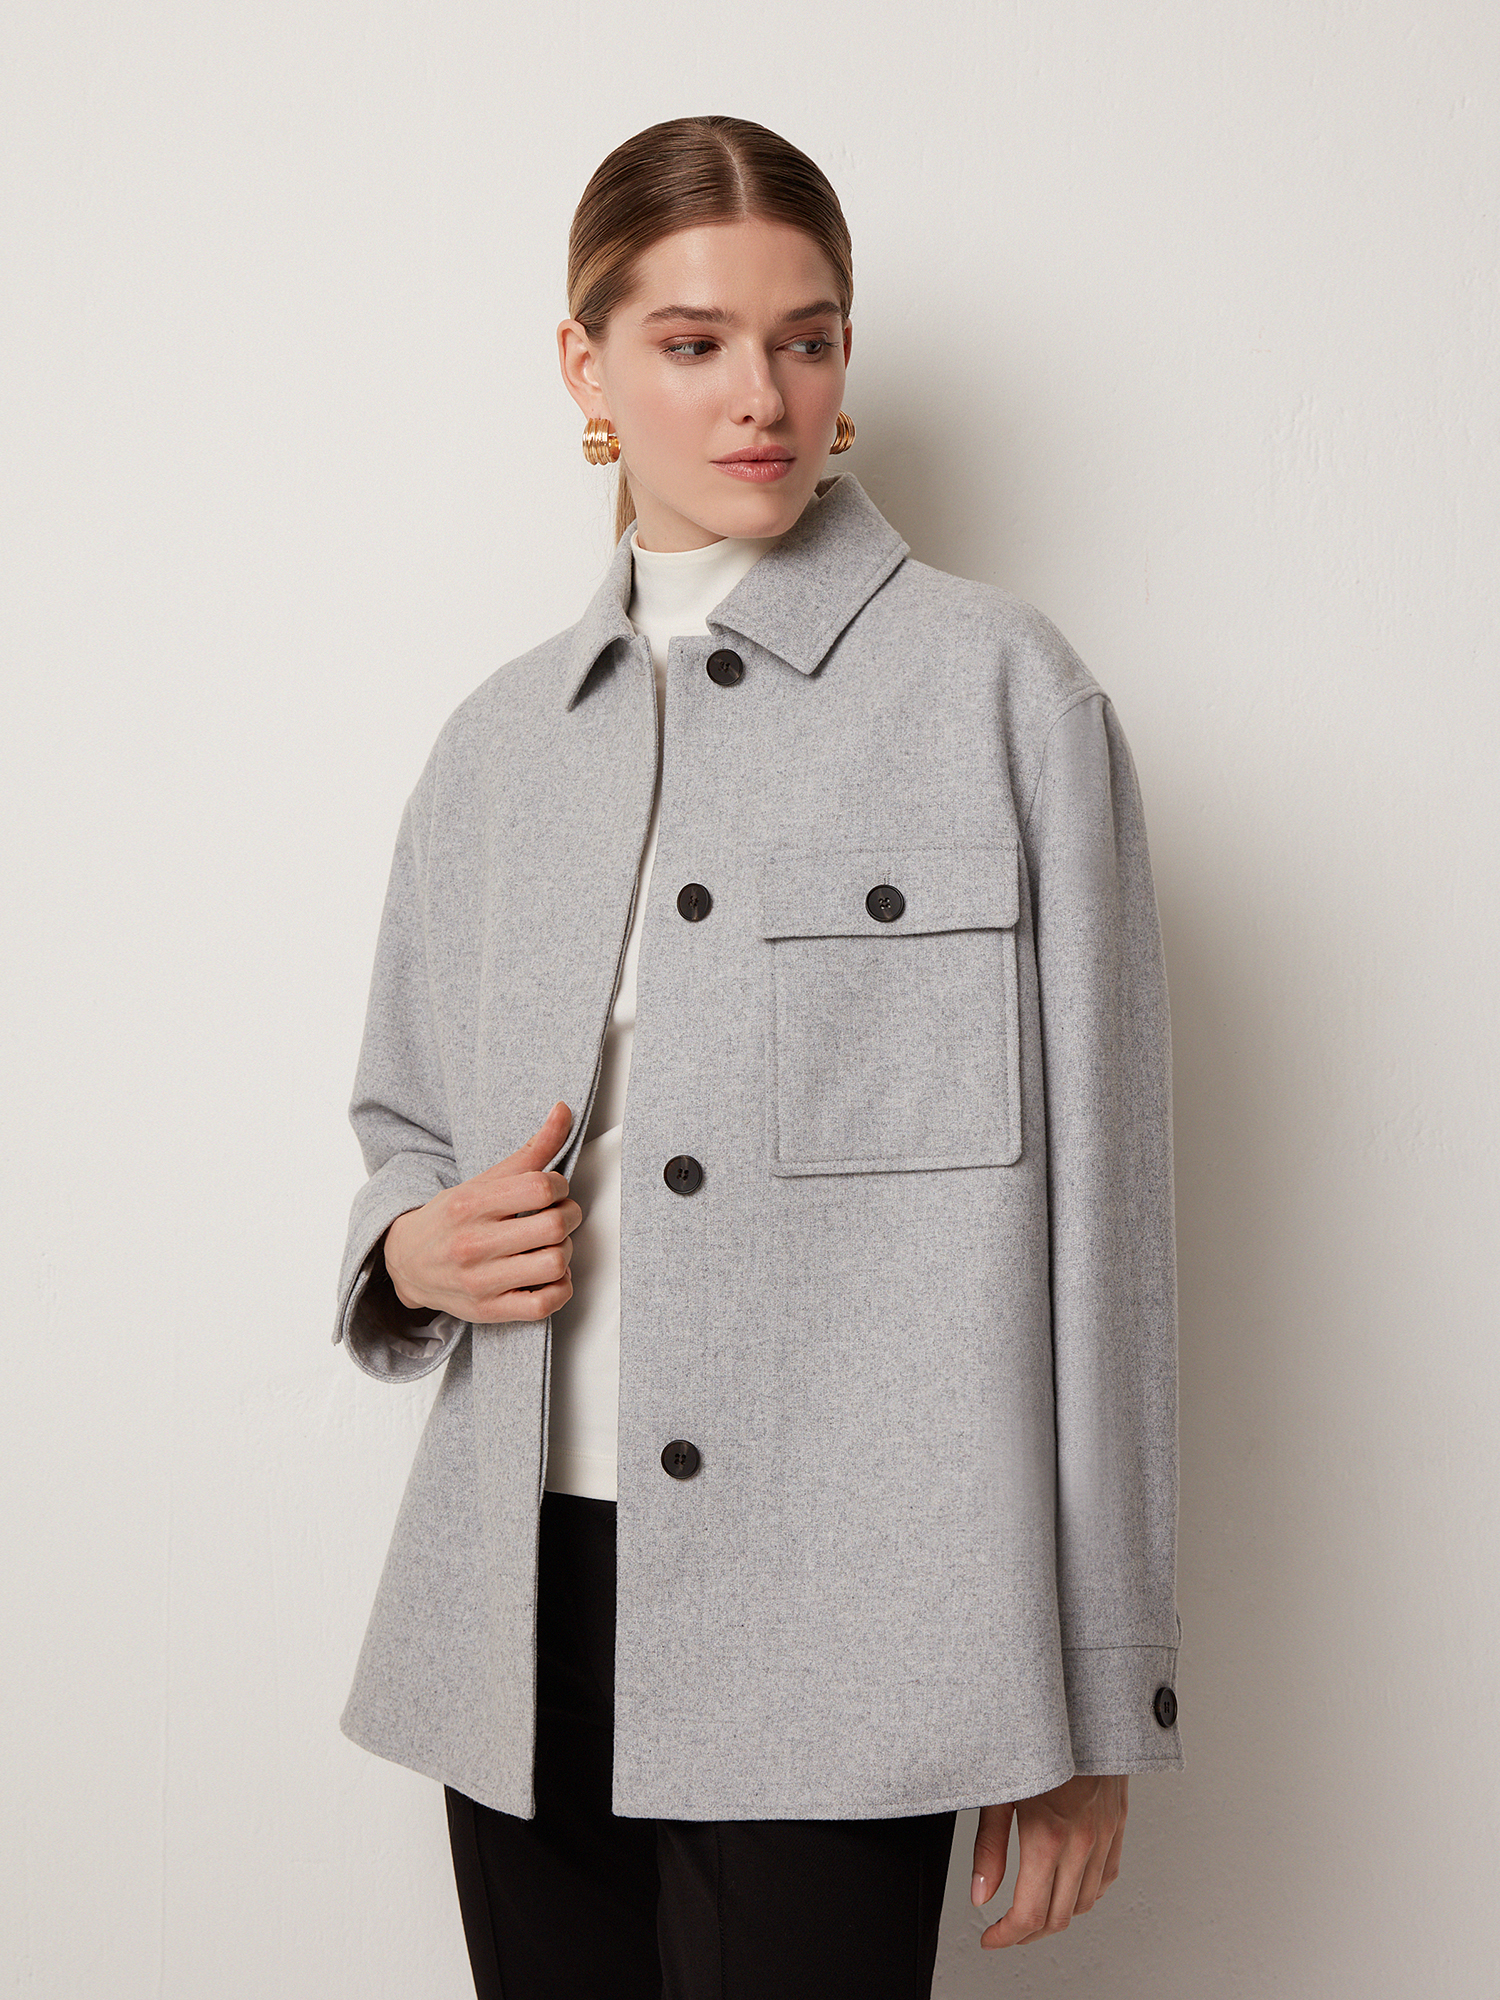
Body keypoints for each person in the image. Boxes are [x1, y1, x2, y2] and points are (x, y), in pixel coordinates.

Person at [333, 114, 1184, 2000]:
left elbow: (1108, 1236)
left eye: (807, 339)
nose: (762, 397)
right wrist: (411, 1245)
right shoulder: (495, 748)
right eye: (695, 342)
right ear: (586, 366)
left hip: (853, 1615)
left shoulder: (1003, 694)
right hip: (520, 1602)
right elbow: (401, 1118)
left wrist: (1096, 1691)